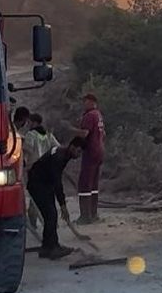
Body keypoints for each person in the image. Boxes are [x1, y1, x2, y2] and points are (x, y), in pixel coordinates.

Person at [26, 137, 83, 260]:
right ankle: (52, 248)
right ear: (72, 147)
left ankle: (48, 247)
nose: (79, 155)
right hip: (37, 184)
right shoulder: (59, 157)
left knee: (50, 215)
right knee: (51, 215)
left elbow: (54, 179)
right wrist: (63, 205)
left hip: (45, 184)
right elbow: (57, 182)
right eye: (78, 151)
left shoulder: (63, 153)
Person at [69, 93, 106, 224]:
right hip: (100, 151)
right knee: (94, 183)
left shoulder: (89, 115)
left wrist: (71, 130)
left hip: (90, 152)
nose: (83, 104)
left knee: (84, 183)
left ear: (91, 101)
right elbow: (103, 133)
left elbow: (84, 133)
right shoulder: (98, 115)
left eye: (85, 101)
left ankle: (85, 217)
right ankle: (93, 214)